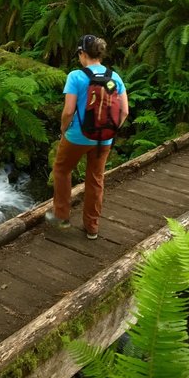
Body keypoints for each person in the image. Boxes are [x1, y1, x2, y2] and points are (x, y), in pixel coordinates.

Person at [46, 35, 128, 240]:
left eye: (79, 54)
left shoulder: (76, 76)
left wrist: (64, 130)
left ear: (83, 54)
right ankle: (92, 226)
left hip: (77, 136)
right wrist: (111, 130)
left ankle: (61, 217)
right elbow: (124, 111)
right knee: (95, 179)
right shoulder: (115, 77)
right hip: (104, 139)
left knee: (62, 170)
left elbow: (67, 111)